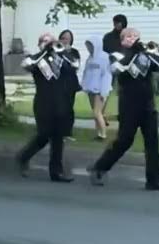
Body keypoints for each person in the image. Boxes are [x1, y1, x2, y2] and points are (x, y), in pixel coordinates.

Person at [89, 28, 159, 190]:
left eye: (135, 36)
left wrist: (149, 53)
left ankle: (154, 180)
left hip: (148, 105)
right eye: (129, 37)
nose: (133, 39)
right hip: (128, 105)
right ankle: (100, 167)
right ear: (122, 40)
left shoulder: (146, 56)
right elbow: (116, 69)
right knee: (124, 140)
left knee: (152, 142)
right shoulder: (117, 55)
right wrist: (133, 53)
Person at [16, 33, 76, 183]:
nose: (48, 43)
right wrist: (44, 51)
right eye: (44, 41)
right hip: (43, 102)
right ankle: (23, 157)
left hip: (61, 102)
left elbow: (75, 65)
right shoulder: (37, 59)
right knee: (43, 135)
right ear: (39, 44)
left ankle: (56, 172)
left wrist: (60, 52)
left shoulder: (63, 58)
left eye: (50, 41)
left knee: (58, 137)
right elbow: (25, 64)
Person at [81, 33, 113, 140]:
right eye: (88, 45)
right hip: (91, 89)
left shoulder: (105, 57)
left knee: (97, 112)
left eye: (91, 45)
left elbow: (107, 75)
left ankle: (103, 134)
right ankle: (98, 133)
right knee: (95, 113)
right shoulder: (90, 59)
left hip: (100, 90)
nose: (89, 48)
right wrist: (84, 85)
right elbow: (86, 73)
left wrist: (104, 91)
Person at [57, 30, 80, 139]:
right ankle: (58, 131)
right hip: (58, 83)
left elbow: (75, 66)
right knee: (58, 107)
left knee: (68, 108)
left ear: (71, 40)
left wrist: (66, 53)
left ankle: (67, 132)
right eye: (63, 38)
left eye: (67, 38)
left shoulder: (74, 52)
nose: (65, 40)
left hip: (70, 83)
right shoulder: (56, 50)